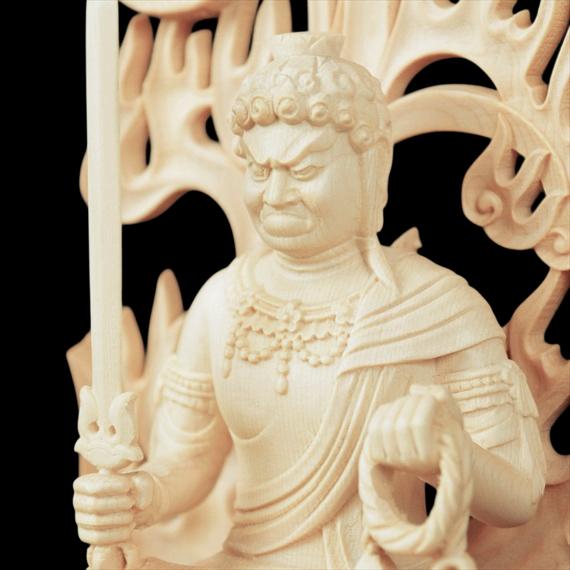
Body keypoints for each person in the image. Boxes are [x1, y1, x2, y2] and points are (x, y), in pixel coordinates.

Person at [73, 33, 545, 570]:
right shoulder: (222, 300)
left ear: (371, 169)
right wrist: (139, 496)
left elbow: (520, 496)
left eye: (302, 171)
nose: (274, 196)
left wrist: (444, 452)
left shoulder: (436, 307)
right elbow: (190, 459)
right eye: (259, 171)